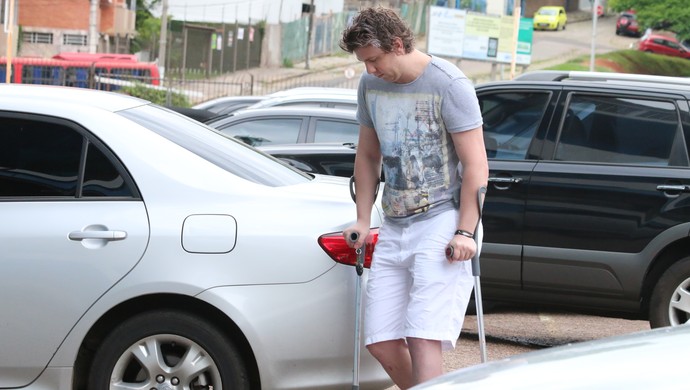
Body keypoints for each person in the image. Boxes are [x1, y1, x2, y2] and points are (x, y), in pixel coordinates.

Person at [339, 6, 489, 389]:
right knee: (382, 342)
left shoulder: (449, 84)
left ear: (398, 44)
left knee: (423, 335)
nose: (370, 69)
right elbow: (368, 156)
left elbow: (475, 166)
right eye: (364, 62)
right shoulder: (370, 85)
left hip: (444, 218)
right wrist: (361, 218)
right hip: (395, 220)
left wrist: (466, 232)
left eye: (374, 59)